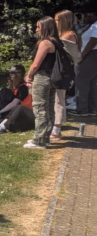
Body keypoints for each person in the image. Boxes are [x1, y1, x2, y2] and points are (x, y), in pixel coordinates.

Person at [25, 17, 59, 149]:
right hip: (53, 78)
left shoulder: (45, 43)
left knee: (40, 108)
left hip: (42, 77)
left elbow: (36, 64)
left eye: (38, 27)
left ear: (45, 27)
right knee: (49, 108)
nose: (36, 30)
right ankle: (45, 137)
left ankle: (39, 141)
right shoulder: (56, 41)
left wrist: (29, 76)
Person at [52, 10, 81, 139]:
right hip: (59, 70)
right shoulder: (62, 34)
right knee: (56, 99)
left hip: (63, 71)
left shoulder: (68, 35)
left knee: (59, 99)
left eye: (57, 20)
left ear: (64, 21)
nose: (54, 22)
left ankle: (56, 130)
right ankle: (55, 127)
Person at [0, 65, 35, 136]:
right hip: (20, 112)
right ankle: (0, 126)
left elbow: (14, 103)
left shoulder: (23, 87)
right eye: (10, 73)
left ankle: (3, 127)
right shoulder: (16, 86)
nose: (10, 75)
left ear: (19, 75)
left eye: (13, 73)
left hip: (27, 112)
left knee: (18, 107)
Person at [73, 12, 97, 117]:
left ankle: (82, 109)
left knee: (81, 81)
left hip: (91, 54)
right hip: (91, 54)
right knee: (92, 82)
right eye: (86, 15)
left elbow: (93, 41)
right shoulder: (89, 26)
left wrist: (82, 55)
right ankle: (92, 109)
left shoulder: (96, 26)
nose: (87, 17)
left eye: (90, 15)